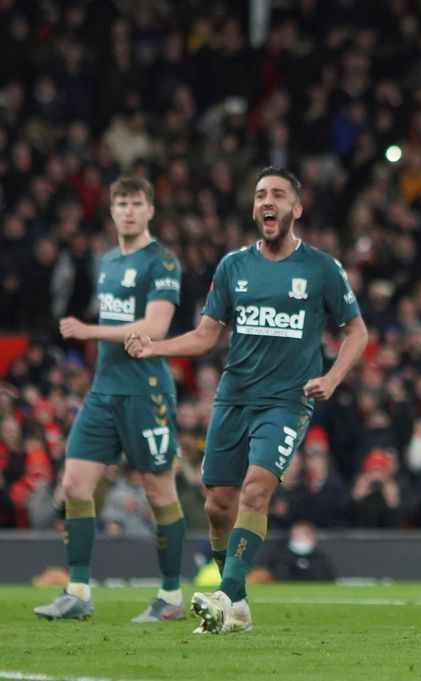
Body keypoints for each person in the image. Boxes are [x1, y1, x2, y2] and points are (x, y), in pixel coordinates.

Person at [125, 166, 367, 634]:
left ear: (296, 209)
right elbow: (204, 336)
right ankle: (236, 606)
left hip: (286, 402)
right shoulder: (233, 266)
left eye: (277, 194)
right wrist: (155, 347)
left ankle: (223, 594)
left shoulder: (320, 268)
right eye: (259, 195)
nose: (266, 202)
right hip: (233, 399)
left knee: (256, 488)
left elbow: (356, 331)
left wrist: (334, 377)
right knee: (218, 504)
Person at [34, 176, 186, 623]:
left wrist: (89, 330)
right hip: (104, 390)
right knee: (74, 485)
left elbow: (156, 328)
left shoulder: (163, 262)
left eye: (137, 203)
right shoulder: (106, 261)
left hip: (146, 392)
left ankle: (172, 597)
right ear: (112, 210)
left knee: (159, 490)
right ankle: (78, 590)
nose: (128, 211)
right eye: (121, 203)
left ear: (150, 210)